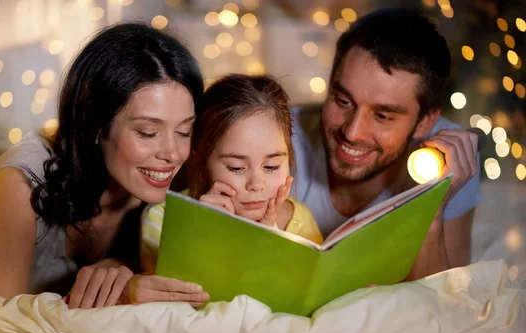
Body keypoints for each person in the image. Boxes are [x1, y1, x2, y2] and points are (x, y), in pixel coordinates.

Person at [0, 23, 210, 309]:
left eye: (184, 132)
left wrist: (123, 267)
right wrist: (118, 295)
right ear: (97, 126)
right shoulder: (20, 186)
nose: (173, 154)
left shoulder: (176, 176)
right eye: (148, 132)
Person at [291, 9, 482, 280]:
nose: (353, 132)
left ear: (425, 122)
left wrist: (431, 208)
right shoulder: (279, 137)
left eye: (382, 116)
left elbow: (447, 304)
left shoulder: (449, 158)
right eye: (343, 101)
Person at [140, 74, 323, 271]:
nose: (256, 184)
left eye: (271, 166)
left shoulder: (301, 220)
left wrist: (269, 238)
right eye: (236, 168)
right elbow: (169, 295)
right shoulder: (163, 219)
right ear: (200, 164)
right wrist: (206, 235)